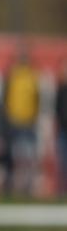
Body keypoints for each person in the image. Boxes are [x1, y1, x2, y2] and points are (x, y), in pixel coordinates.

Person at [3, 47, 40, 195]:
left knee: (28, 157)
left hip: (28, 121)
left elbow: (37, 98)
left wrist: (33, 116)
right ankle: (17, 187)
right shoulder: (13, 76)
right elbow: (6, 97)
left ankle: (28, 186)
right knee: (17, 157)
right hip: (15, 121)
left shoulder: (33, 76)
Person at [53, 59, 67, 198]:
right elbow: (57, 110)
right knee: (62, 163)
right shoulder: (60, 90)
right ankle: (62, 191)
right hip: (63, 130)